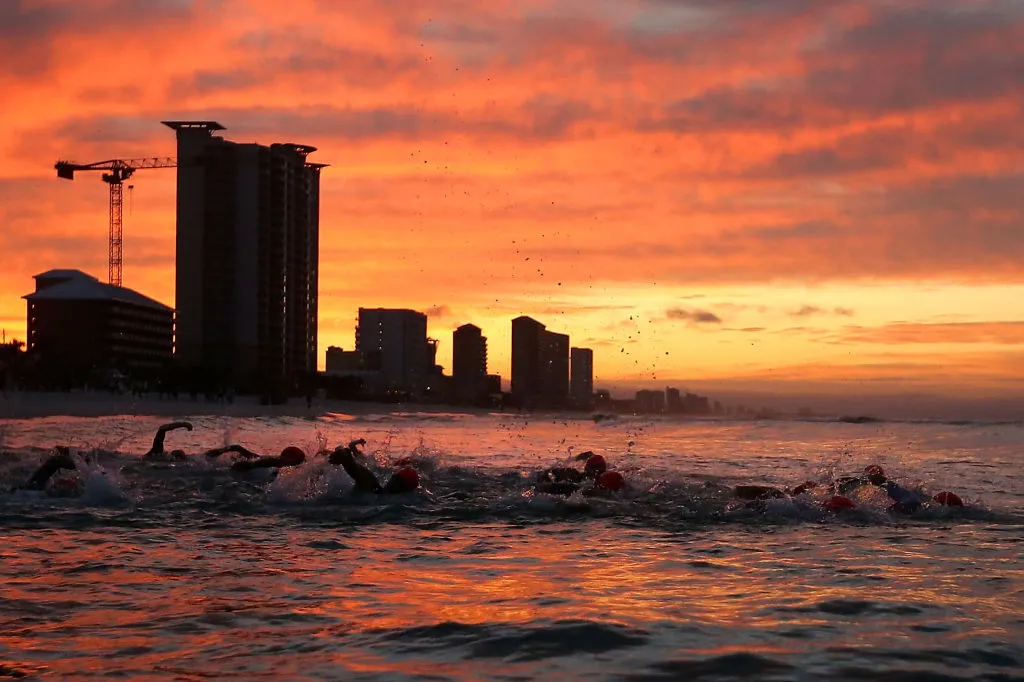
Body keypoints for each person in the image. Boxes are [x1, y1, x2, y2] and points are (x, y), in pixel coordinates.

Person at [329, 439, 420, 494]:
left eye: (396, 480)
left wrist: (344, 455)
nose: (393, 480)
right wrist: (344, 454)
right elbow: (355, 468)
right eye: (395, 478)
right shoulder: (374, 486)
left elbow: (355, 469)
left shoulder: (373, 487)